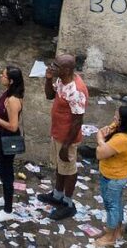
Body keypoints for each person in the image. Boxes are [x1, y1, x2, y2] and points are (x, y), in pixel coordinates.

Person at [38, 53, 88, 220]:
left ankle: (68, 203)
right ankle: (57, 195)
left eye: (56, 65)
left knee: (69, 169)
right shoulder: (61, 79)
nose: (52, 66)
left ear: (67, 69)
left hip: (68, 138)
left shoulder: (76, 91)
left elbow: (77, 121)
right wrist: (48, 79)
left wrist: (66, 146)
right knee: (60, 167)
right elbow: (50, 96)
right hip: (58, 132)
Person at [94, 106, 127, 246]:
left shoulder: (122, 139)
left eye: (116, 118)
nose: (113, 119)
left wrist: (100, 139)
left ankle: (110, 236)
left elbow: (99, 153)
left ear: (123, 121)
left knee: (111, 206)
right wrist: (110, 127)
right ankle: (117, 230)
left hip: (113, 177)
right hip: (119, 174)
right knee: (117, 203)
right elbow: (110, 127)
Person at [0, 65, 24, 223]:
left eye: (4, 75)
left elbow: (13, 126)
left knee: (7, 172)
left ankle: (8, 210)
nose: (1, 76)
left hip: (9, 138)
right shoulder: (9, 93)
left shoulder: (14, 100)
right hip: (1, 135)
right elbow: (4, 108)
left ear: (11, 80)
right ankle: (5, 199)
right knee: (3, 168)